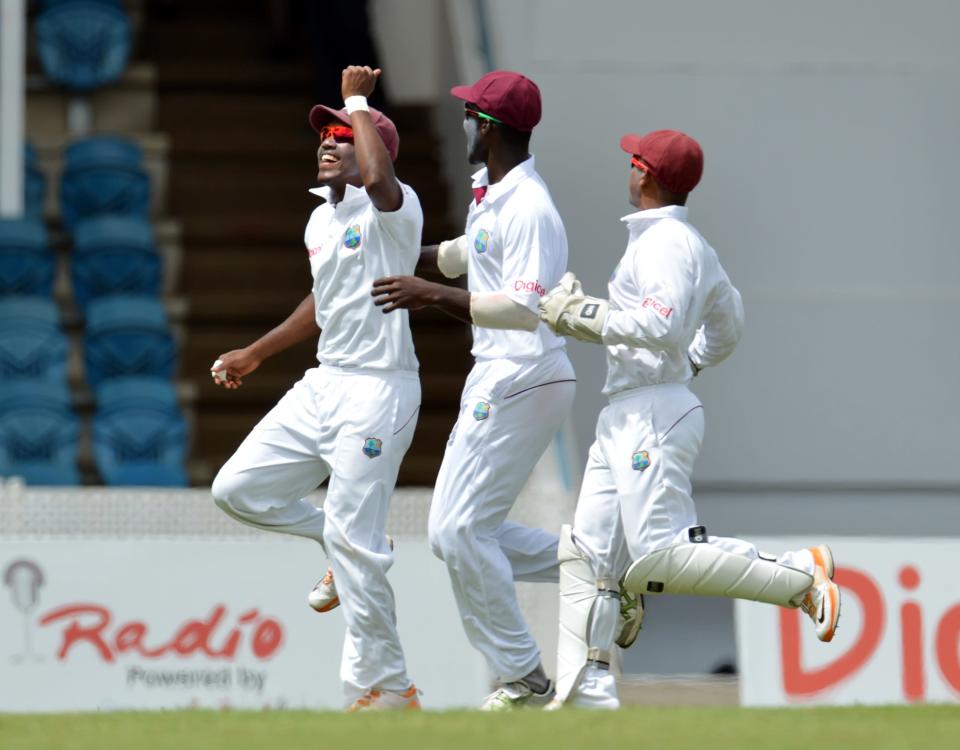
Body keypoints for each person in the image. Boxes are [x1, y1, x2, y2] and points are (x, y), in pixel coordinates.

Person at [538, 129, 841, 709]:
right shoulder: (680, 241)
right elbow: (729, 318)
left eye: (632, 161)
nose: (627, 170)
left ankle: (799, 577)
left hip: (651, 409)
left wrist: (582, 314)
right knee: (589, 553)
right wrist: (696, 360)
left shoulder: (667, 243)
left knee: (659, 556)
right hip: (630, 409)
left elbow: (660, 326)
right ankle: (586, 691)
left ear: (645, 172)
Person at [368, 70, 641, 710]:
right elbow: (466, 254)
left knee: (461, 532)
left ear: (487, 128)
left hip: (524, 370)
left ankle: (522, 676)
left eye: (470, 114)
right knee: (455, 534)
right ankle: (598, 571)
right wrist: (407, 258)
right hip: (499, 373)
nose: (463, 121)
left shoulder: (532, 207)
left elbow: (526, 306)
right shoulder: (492, 193)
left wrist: (428, 295)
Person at [209, 66, 424, 712]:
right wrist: (255, 352)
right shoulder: (319, 221)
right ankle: (335, 537)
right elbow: (323, 303)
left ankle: (387, 689)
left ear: (370, 149)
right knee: (236, 490)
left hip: (379, 391)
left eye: (341, 135)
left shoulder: (394, 208)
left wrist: (359, 99)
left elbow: (381, 180)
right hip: (325, 383)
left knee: (360, 549)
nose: (327, 143)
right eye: (323, 136)